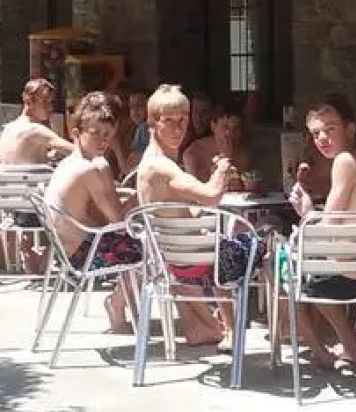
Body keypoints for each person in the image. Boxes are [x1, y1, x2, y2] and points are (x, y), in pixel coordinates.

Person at [136, 84, 251, 347]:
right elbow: (211, 196)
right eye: (169, 121)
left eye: (183, 120)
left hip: (173, 258)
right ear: (153, 123)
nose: (179, 129)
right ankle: (242, 332)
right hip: (193, 261)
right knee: (262, 248)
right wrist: (222, 166)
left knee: (220, 238)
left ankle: (203, 326)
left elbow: (185, 208)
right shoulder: (162, 167)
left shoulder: (149, 161)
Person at [287, 96, 356, 369]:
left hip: (351, 275)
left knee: (276, 266)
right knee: (307, 264)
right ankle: (351, 347)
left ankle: (322, 351)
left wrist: (306, 210)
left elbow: (327, 229)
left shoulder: (344, 161)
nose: (322, 138)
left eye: (330, 128)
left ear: (350, 128)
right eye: (316, 133)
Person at [43, 92, 143, 332]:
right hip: (83, 255)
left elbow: (100, 202)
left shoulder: (71, 162)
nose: (102, 141)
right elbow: (118, 221)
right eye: (95, 133)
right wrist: (142, 196)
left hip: (63, 253)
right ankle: (119, 306)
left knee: (135, 238)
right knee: (149, 250)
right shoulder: (95, 167)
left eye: (107, 135)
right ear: (76, 133)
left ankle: (127, 306)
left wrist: (124, 198)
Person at [0, 78, 77, 274]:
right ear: (28, 101)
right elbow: (77, 151)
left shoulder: (8, 128)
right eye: (45, 102)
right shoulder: (36, 130)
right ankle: (52, 257)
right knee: (81, 202)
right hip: (36, 211)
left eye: (51, 102)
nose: (50, 107)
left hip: (11, 209)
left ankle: (35, 254)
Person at [183, 102, 250, 193]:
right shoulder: (193, 154)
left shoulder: (242, 153)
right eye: (225, 127)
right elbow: (197, 191)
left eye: (236, 129)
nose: (229, 133)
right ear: (213, 126)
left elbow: (241, 188)